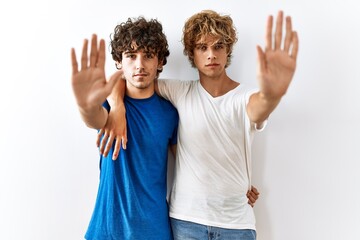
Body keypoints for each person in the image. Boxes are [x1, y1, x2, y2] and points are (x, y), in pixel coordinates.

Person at [101, 9, 298, 240]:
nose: (211, 55)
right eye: (202, 47)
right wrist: (116, 106)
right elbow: (130, 77)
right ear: (192, 54)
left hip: (236, 223)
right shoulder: (179, 91)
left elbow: (260, 106)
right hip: (186, 221)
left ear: (228, 51)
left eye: (218, 46)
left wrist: (273, 94)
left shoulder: (246, 97)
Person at [71, 17, 179, 240]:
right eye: (131, 56)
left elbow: (189, 165)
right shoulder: (109, 105)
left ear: (159, 62)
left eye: (148, 55)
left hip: (154, 231)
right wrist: (85, 105)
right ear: (119, 62)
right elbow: (93, 118)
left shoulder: (170, 113)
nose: (139, 64)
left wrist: (235, 183)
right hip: (106, 229)